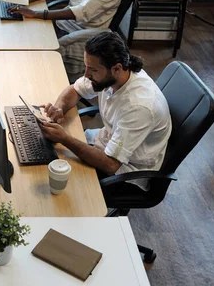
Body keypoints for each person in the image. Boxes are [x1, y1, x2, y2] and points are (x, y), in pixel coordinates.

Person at [38, 32, 172, 192]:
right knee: (47, 157)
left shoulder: (138, 107)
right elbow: (75, 90)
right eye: (86, 67)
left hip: (126, 172)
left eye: (92, 70)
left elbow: (110, 165)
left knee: (54, 177)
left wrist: (65, 138)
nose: (86, 74)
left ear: (116, 68)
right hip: (106, 143)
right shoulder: (114, 75)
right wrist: (59, 108)